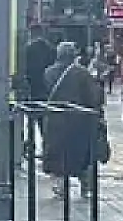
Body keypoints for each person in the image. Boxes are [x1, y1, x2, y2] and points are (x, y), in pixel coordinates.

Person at [41, 42, 105, 198]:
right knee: (82, 156)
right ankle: (86, 186)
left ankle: (60, 184)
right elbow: (93, 97)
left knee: (58, 154)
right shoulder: (82, 73)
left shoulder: (48, 72)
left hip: (55, 121)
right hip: (79, 121)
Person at [24, 26, 55, 101]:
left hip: (32, 82)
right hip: (46, 83)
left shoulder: (28, 48)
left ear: (32, 33)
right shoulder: (50, 48)